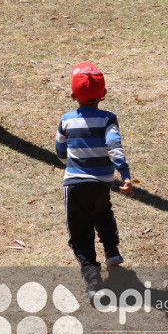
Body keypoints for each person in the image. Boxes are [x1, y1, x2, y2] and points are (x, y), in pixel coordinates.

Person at [55, 62, 134, 297]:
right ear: (104, 95)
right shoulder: (109, 119)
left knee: (80, 232)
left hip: (75, 185)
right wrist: (125, 175)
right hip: (102, 184)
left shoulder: (67, 120)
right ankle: (111, 250)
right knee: (102, 212)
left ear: (72, 95)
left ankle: (93, 280)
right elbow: (114, 146)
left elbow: (60, 152)